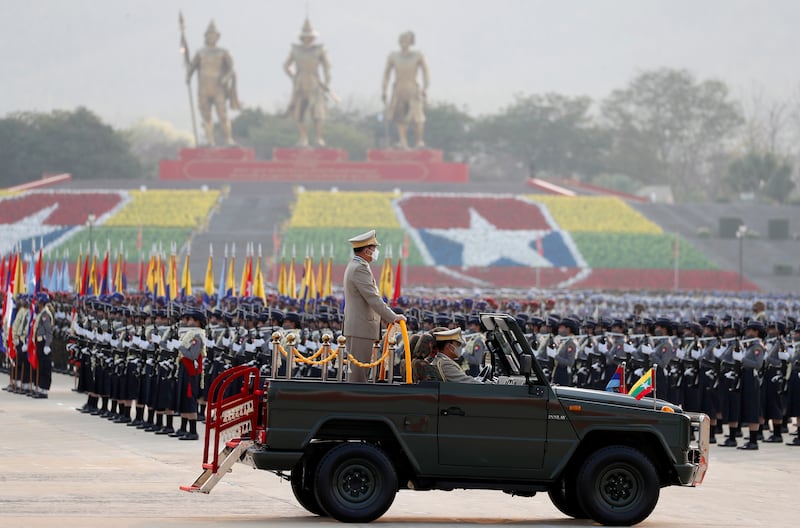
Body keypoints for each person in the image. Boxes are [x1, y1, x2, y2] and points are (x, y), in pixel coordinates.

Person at [342, 230, 405, 382]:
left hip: (359, 327)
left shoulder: (356, 265)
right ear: (366, 250)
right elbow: (373, 299)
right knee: (358, 376)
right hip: (361, 328)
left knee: (357, 373)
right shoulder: (359, 268)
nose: (375, 252)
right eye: (374, 248)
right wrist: (393, 317)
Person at [185, 20, 240, 146]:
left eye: (213, 35)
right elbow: (192, 67)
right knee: (206, 115)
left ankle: (228, 139)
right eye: (209, 35)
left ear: (217, 37)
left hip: (218, 88)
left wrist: (227, 77)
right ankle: (210, 141)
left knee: (222, 114)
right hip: (203, 88)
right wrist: (188, 75)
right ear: (206, 36)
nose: (211, 37)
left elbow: (232, 68)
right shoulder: (200, 53)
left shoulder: (223, 52)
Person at [283, 17, 332, 147]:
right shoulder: (295, 50)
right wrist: (293, 77)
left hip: (315, 82)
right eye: (305, 37)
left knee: (318, 113)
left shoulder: (319, 50)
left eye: (310, 37)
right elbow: (286, 65)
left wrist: (327, 82)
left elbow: (327, 67)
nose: (308, 39)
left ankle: (319, 138)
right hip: (300, 83)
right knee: (299, 112)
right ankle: (303, 138)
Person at [381, 31, 429, 149]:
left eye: (407, 40)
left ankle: (419, 141)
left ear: (411, 42)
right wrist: (384, 90)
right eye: (402, 39)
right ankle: (403, 142)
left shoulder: (418, 55)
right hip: (399, 89)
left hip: (413, 88)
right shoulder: (393, 56)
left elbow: (425, 72)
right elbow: (387, 74)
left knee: (418, 117)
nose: (404, 42)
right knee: (399, 117)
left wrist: (425, 87)